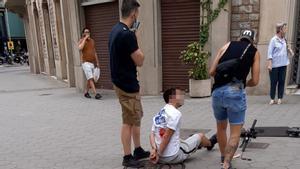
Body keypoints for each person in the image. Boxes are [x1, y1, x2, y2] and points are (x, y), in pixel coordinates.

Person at [209, 29, 260, 169]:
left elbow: (211, 71)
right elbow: (255, 81)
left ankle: (222, 157)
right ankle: (226, 163)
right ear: (253, 40)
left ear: (240, 37)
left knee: (221, 127)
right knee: (235, 132)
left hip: (217, 91)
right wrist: (244, 84)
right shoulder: (254, 51)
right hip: (236, 90)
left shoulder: (226, 45)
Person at [108, 0, 149, 167]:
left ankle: (137, 150)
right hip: (126, 85)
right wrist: (136, 37)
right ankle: (127, 157)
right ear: (134, 14)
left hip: (122, 81)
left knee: (136, 117)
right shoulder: (127, 35)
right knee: (128, 120)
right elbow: (140, 60)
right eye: (137, 13)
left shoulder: (115, 30)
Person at [149, 88, 217, 165]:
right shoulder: (175, 113)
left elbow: (152, 134)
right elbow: (166, 136)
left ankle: (195, 143)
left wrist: (154, 150)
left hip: (158, 154)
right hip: (172, 157)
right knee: (200, 136)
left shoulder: (160, 112)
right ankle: (210, 143)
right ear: (172, 98)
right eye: (180, 95)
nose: (183, 97)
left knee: (181, 140)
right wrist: (159, 155)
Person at [267, 23, 294, 105]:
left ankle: (279, 98)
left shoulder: (284, 40)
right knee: (273, 82)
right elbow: (269, 53)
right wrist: (270, 64)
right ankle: (272, 98)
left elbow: (290, 53)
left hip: (283, 64)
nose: (286, 30)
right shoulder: (273, 40)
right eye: (284, 29)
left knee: (282, 81)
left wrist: (290, 50)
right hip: (275, 65)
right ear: (280, 30)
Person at [78, 28, 102, 100]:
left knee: (89, 79)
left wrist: (97, 62)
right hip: (85, 63)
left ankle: (86, 92)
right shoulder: (81, 41)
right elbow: (80, 48)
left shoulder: (92, 41)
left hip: (91, 63)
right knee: (90, 78)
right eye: (86, 32)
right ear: (83, 34)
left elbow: (94, 52)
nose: (87, 33)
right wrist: (84, 39)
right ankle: (96, 94)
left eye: (88, 32)